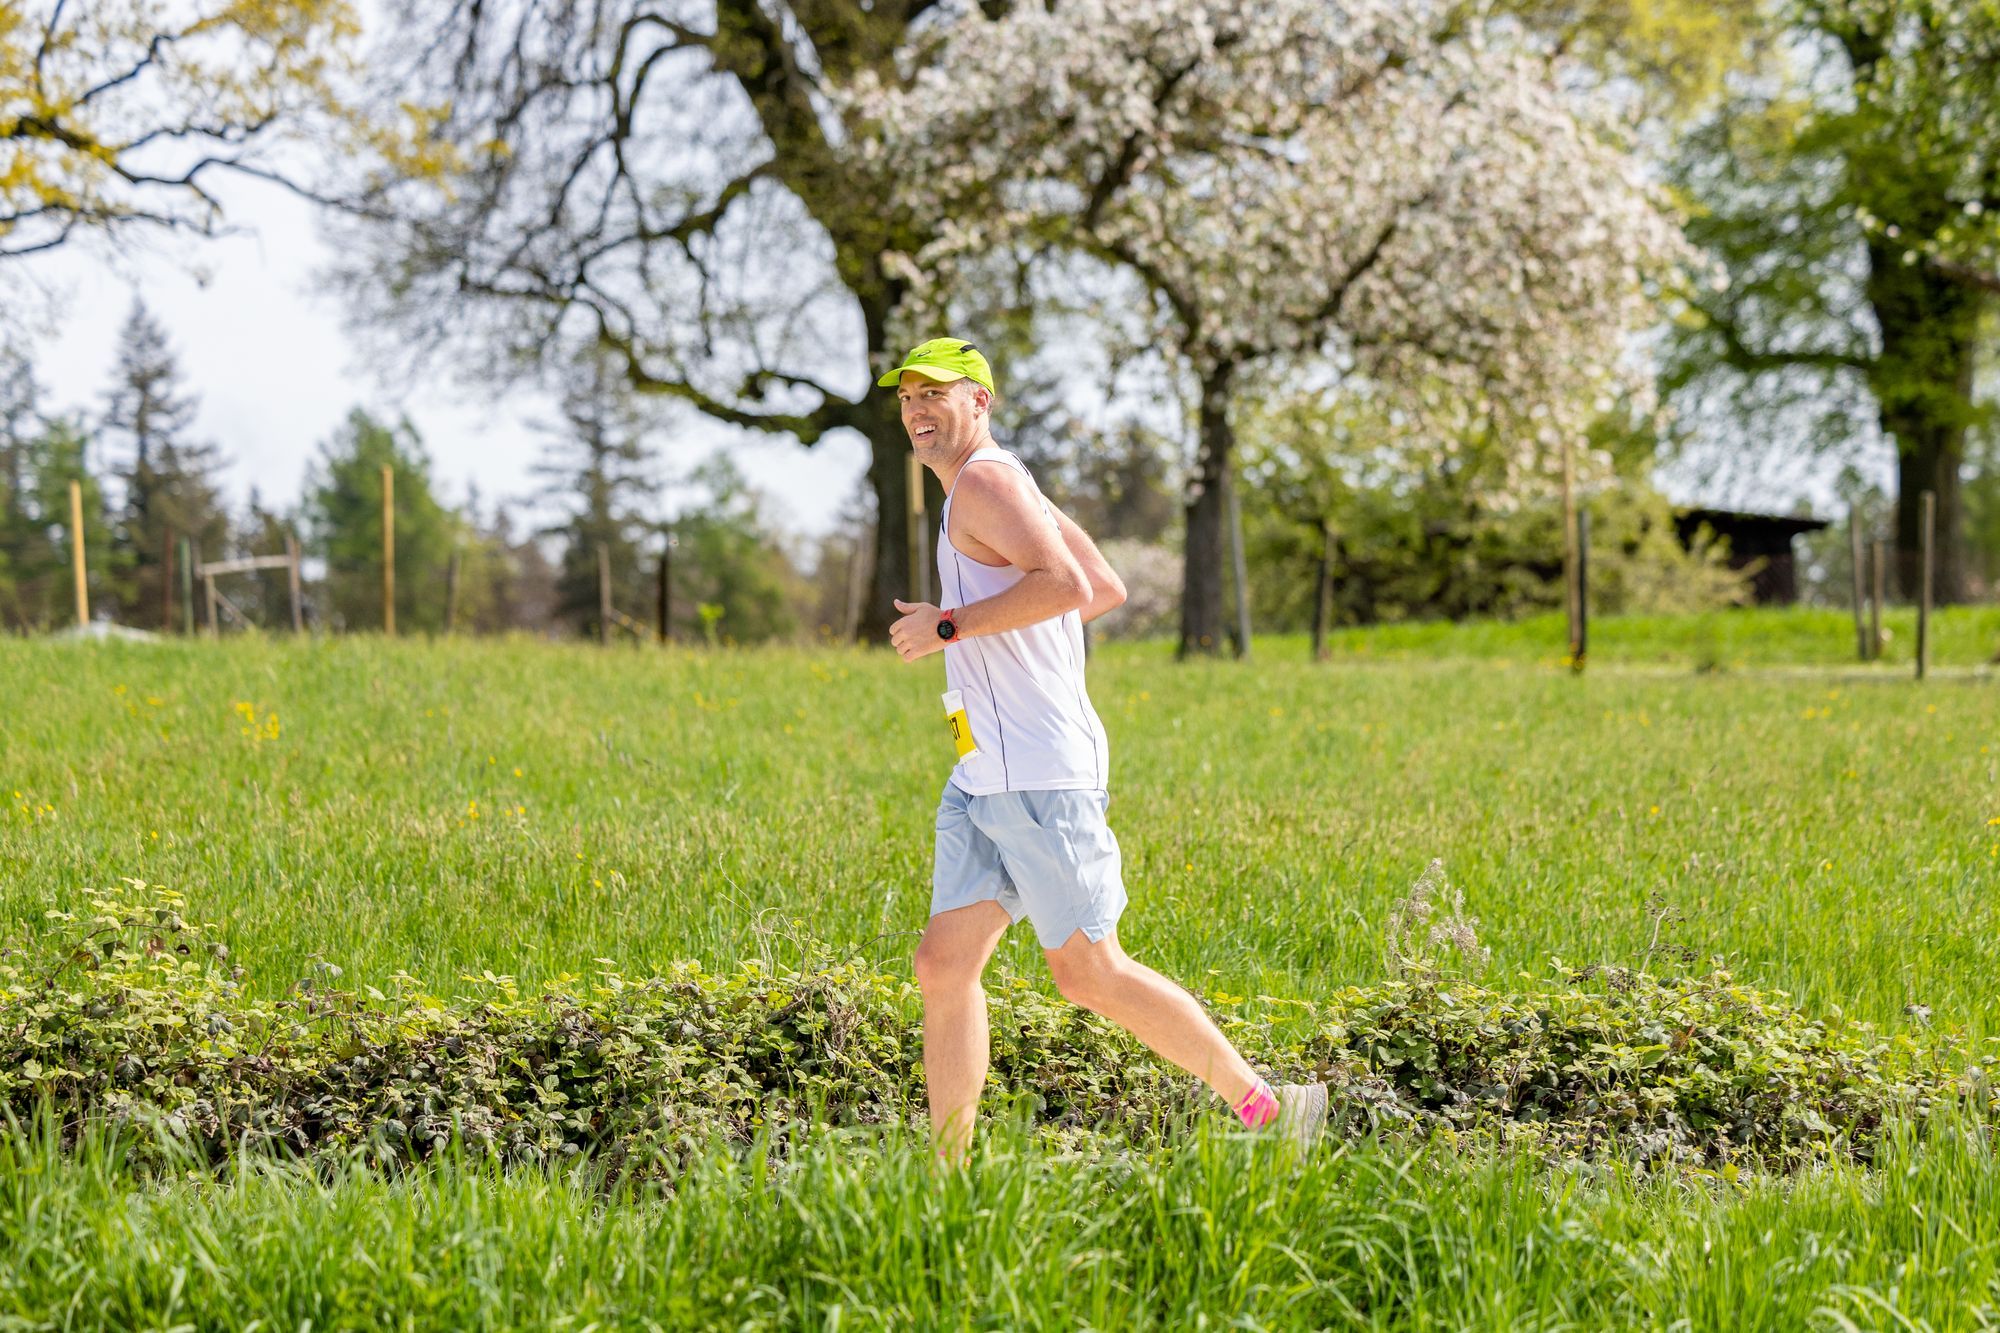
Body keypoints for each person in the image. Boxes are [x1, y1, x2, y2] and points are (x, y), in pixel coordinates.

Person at [880, 336, 1326, 1164]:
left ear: (981, 401)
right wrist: (990, 643)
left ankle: (1270, 1106)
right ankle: (947, 1181)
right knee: (943, 966)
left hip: (1040, 777)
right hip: (983, 775)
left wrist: (950, 625)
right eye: (906, 398)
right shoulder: (1002, 485)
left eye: (934, 393)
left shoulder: (986, 480)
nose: (916, 410)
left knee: (1089, 971)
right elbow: (1107, 585)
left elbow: (1071, 589)